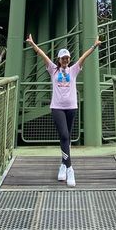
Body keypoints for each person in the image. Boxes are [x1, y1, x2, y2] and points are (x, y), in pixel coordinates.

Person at [25, 33, 101, 187]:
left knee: (66, 138)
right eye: (63, 58)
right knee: (65, 135)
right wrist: (33, 44)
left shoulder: (73, 70)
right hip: (57, 108)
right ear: (59, 60)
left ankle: (62, 165)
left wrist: (94, 46)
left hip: (71, 107)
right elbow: (43, 55)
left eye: (67, 58)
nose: (65, 60)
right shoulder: (53, 70)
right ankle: (70, 169)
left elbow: (84, 57)